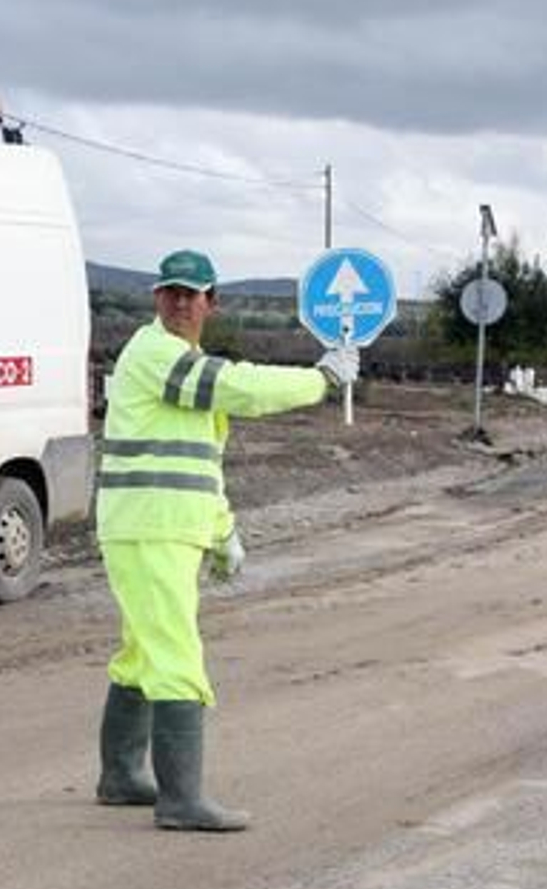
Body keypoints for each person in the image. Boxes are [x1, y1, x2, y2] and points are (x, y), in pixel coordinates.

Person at [94, 248, 359, 833]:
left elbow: (197, 463)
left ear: (211, 303)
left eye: (192, 294)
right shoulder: (157, 353)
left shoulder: (177, 364)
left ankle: (120, 777)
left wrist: (223, 529)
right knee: (177, 658)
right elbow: (238, 388)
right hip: (148, 528)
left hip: (163, 527)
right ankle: (180, 800)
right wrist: (318, 381)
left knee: (143, 653)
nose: (180, 302)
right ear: (156, 298)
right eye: (171, 292)